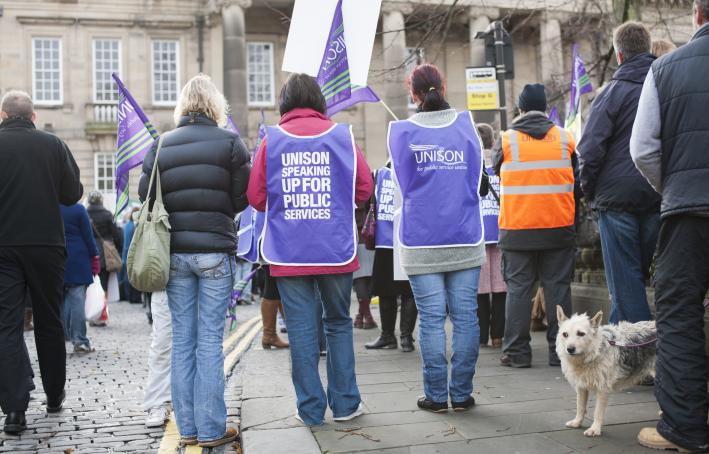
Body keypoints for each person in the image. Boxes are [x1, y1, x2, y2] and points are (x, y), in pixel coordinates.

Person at [247, 73, 373, 426]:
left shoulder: (271, 141)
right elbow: (364, 189)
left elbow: (256, 199)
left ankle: (310, 410)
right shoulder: (343, 136)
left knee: (301, 330)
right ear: (318, 101)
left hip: (288, 252)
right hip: (335, 247)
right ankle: (346, 404)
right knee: (337, 323)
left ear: (285, 103)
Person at [138, 74, 250, 448]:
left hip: (174, 255)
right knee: (209, 343)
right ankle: (212, 428)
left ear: (183, 106)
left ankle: (187, 427)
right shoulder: (231, 143)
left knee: (183, 341)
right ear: (215, 104)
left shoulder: (161, 146)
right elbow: (242, 199)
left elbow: (146, 195)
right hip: (215, 251)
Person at [631, 1, 709, 450]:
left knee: (678, 319)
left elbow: (642, 149)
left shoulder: (664, 70)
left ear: (697, 15)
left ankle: (683, 429)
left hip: (686, 213)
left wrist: (674, 186)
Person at [389, 64, 486, 413]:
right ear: (443, 86)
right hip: (464, 233)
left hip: (421, 238)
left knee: (430, 320)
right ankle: (461, 394)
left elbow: (401, 185)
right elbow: (478, 180)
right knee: (466, 318)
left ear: (412, 93)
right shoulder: (466, 125)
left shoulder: (401, 133)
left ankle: (435, 394)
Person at [0, 90, 83, 434]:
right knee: (49, 320)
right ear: (33, 117)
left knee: (6, 324)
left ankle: (14, 410)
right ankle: (53, 394)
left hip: (3, 245)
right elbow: (72, 193)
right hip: (47, 244)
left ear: (2, 115)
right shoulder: (53, 144)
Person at [577, 22, 660, 325]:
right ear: (648, 50)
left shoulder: (612, 92)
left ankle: (640, 359)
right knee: (633, 279)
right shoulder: (664, 86)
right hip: (657, 192)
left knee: (626, 285)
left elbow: (590, 148)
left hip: (616, 199)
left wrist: (588, 190)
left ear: (620, 56)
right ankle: (618, 350)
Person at [492, 83, 576, 369]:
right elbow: (578, 178)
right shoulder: (566, 138)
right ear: (545, 106)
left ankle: (517, 353)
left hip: (518, 229)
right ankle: (560, 352)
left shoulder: (507, 140)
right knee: (558, 290)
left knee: (518, 291)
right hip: (558, 226)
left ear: (520, 109)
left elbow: (496, 170)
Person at [365, 165, 418, 352]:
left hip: (398, 239)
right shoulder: (382, 173)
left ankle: (397, 337)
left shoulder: (381, 173)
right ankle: (399, 338)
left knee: (403, 291)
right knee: (399, 290)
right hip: (397, 239)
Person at [476, 123, 506, 349]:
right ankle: (498, 336)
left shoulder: (470, 165)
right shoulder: (501, 165)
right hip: (501, 231)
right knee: (500, 287)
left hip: (477, 235)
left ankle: (481, 337)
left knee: (480, 289)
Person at [60, 203, 100, 353]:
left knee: (61, 301)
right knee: (77, 300)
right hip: (77, 257)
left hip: (56, 256)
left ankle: (63, 335)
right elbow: (87, 235)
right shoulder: (78, 209)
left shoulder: (51, 205)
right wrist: (94, 254)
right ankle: (80, 340)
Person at [87, 190, 122, 327]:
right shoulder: (108, 215)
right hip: (106, 253)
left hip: (89, 253)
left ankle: (92, 314)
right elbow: (117, 235)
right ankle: (101, 315)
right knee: (104, 285)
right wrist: (117, 249)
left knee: (90, 285)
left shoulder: (85, 214)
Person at [143, 290, 172, 428]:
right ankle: (158, 403)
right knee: (162, 343)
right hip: (166, 280)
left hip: (204, 276)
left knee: (202, 341)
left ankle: (201, 406)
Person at [353, 204, 376, 329]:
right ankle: (367, 315)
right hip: (369, 230)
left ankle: (362, 316)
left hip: (358, 229)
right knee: (365, 275)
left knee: (362, 276)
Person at [121, 207, 142, 304]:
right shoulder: (135, 226)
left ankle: (129, 296)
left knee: (128, 276)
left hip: (126, 254)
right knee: (134, 277)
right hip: (133, 254)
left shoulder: (127, 225)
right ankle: (134, 298)